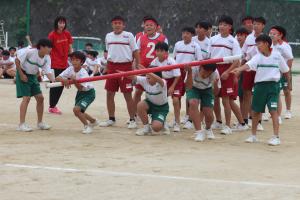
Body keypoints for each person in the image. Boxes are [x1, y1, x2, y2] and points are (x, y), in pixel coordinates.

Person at [231, 34, 290, 146]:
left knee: (273, 111)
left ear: (266, 44)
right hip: (259, 87)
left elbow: (286, 70)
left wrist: (288, 84)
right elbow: (248, 65)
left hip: (273, 87)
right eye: (256, 44)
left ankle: (276, 137)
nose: (257, 46)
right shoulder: (258, 56)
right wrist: (239, 69)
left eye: (259, 44)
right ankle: (253, 136)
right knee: (255, 112)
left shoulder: (277, 56)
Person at [99, 16, 140, 129]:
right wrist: (107, 66)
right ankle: (111, 119)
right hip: (112, 67)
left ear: (123, 25)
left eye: (119, 23)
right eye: (115, 23)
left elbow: (135, 51)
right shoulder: (108, 36)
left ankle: (132, 119)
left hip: (126, 67)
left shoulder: (129, 35)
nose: (117, 25)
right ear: (112, 25)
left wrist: (138, 66)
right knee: (109, 93)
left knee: (127, 95)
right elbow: (109, 52)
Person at [209, 15, 247, 134]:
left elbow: (237, 61)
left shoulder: (233, 41)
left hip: (227, 69)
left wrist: (228, 72)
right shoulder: (213, 39)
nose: (221, 27)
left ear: (230, 27)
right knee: (215, 97)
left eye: (225, 25)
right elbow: (209, 57)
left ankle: (228, 126)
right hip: (214, 68)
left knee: (226, 100)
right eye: (220, 24)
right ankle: (219, 122)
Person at [15, 38, 55, 132]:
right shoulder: (30, 52)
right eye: (48, 47)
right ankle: (21, 124)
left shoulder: (47, 57)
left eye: (51, 47)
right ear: (41, 47)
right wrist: (21, 75)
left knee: (40, 98)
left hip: (33, 76)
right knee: (26, 98)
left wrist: (54, 81)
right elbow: (17, 61)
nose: (50, 49)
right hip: (23, 74)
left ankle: (40, 123)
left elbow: (48, 72)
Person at [56, 51, 99, 134]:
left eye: (77, 60)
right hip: (80, 93)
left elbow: (80, 88)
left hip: (89, 93)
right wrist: (64, 80)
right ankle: (93, 121)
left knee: (76, 110)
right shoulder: (70, 69)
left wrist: (74, 81)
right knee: (78, 112)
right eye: (72, 60)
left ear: (82, 62)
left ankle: (87, 126)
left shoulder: (83, 73)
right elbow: (57, 78)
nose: (74, 62)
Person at [133, 16, 168, 119]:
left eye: (151, 25)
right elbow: (136, 52)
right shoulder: (141, 38)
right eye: (146, 25)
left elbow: (166, 53)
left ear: (156, 27)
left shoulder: (162, 38)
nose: (148, 27)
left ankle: (159, 114)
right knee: (138, 91)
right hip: (142, 68)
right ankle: (135, 114)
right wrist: (136, 65)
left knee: (159, 91)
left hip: (156, 70)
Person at [173, 27, 203, 129]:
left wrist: (192, 72)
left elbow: (199, 61)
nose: (185, 35)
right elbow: (174, 59)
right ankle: (176, 119)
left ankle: (190, 119)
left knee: (190, 96)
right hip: (178, 72)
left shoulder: (196, 46)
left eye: (188, 33)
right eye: (183, 33)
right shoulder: (177, 44)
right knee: (177, 96)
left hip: (190, 73)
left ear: (192, 35)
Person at [150, 42, 181, 132]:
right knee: (159, 101)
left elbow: (178, 75)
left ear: (166, 52)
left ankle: (177, 122)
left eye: (161, 51)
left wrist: (172, 87)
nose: (159, 53)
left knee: (175, 100)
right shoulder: (154, 62)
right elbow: (151, 75)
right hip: (162, 82)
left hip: (174, 81)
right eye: (157, 51)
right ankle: (161, 121)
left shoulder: (171, 61)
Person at [186, 63, 220, 141]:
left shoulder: (215, 73)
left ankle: (208, 129)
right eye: (205, 72)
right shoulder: (193, 68)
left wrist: (215, 84)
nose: (206, 75)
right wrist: (190, 73)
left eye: (209, 73)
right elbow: (188, 87)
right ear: (200, 67)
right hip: (194, 88)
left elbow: (216, 93)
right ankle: (199, 132)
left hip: (207, 90)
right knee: (193, 103)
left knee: (209, 115)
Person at [241, 17, 265, 129]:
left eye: (258, 24)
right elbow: (243, 54)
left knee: (259, 95)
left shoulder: (266, 38)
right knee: (247, 94)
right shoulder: (249, 38)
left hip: (261, 69)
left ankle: (258, 121)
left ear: (263, 26)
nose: (255, 26)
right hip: (248, 68)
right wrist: (240, 68)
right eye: (254, 24)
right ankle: (245, 121)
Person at [130, 72, 169, 136]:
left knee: (156, 128)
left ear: (155, 78)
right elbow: (131, 76)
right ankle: (146, 128)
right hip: (149, 104)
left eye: (149, 78)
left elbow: (159, 80)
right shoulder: (145, 80)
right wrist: (121, 73)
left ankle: (162, 121)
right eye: (147, 78)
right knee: (140, 105)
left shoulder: (162, 83)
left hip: (161, 108)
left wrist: (147, 71)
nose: (147, 80)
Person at [48, 16, 73, 115]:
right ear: (56, 23)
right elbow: (48, 49)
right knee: (54, 85)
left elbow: (70, 47)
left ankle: (53, 105)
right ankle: (52, 106)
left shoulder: (67, 34)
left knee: (62, 85)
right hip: (54, 63)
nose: (62, 25)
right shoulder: (52, 35)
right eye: (60, 23)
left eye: (63, 23)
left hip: (64, 64)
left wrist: (72, 58)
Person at [269, 26, 294, 120]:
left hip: (284, 72)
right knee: (276, 93)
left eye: (274, 34)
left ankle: (288, 110)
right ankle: (275, 113)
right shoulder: (269, 45)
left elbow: (290, 59)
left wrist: (286, 72)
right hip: (274, 73)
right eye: (270, 33)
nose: (271, 35)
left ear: (280, 35)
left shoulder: (284, 46)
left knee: (286, 91)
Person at [235, 27, 250, 119]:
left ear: (246, 37)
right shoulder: (235, 46)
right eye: (238, 35)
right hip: (237, 74)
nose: (239, 37)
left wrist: (240, 71)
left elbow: (245, 61)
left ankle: (251, 117)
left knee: (247, 96)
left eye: (241, 35)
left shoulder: (248, 48)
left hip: (246, 73)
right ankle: (242, 118)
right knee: (240, 97)